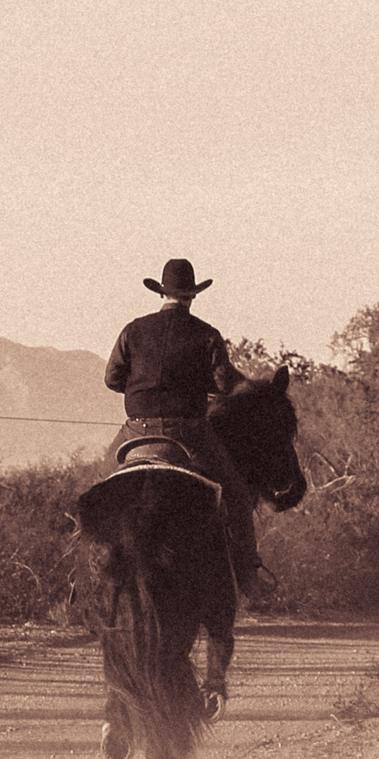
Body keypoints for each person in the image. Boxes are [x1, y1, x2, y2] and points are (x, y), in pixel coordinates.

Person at [102, 256, 264, 600]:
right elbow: (223, 384)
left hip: (135, 431)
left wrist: (142, 387)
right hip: (189, 433)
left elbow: (112, 379)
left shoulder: (133, 330)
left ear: (162, 293)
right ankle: (249, 575)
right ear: (192, 295)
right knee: (236, 492)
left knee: (99, 489)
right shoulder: (207, 335)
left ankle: (84, 575)